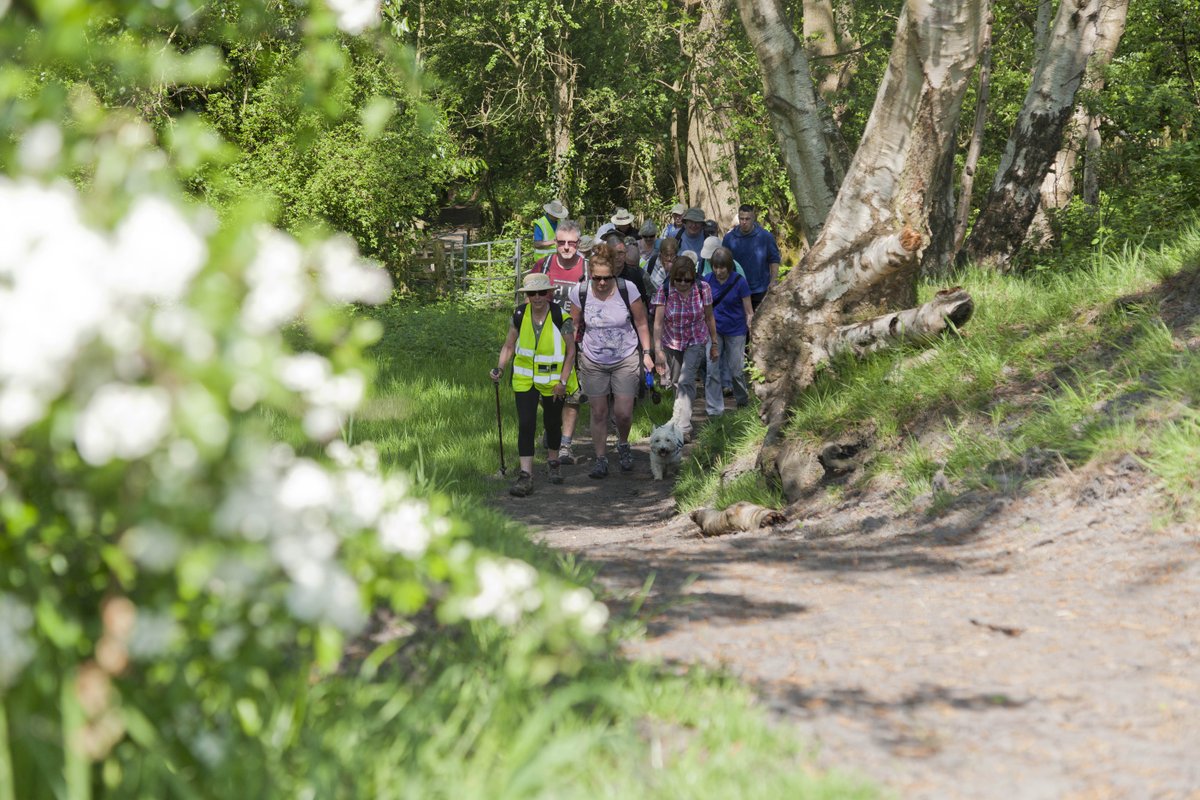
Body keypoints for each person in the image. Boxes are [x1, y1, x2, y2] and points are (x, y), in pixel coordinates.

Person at [569, 245, 655, 477]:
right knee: (598, 412)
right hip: (592, 359)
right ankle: (600, 458)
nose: (602, 283)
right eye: (597, 278)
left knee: (623, 413)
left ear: (614, 274)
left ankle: (623, 443)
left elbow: (642, 322)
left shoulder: (628, 289)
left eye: (607, 278)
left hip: (625, 357)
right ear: (590, 274)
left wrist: (647, 353)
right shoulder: (580, 292)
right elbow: (573, 324)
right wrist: (568, 353)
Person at [491, 272, 578, 496]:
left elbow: (570, 352)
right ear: (527, 295)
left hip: (553, 381)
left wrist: (562, 381)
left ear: (548, 293)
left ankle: (553, 463)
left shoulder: (561, 316)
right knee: (526, 424)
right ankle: (525, 476)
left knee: (551, 423)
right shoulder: (519, 314)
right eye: (532, 293)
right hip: (524, 379)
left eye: (542, 292)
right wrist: (500, 368)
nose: (537, 297)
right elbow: (509, 345)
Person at [530, 219, 586, 464]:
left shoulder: (587, 267)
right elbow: (527, 299)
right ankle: (552, 427)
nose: (565, 247)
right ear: (554, 243)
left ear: (578, 243)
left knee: (572, 394)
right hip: (545, 339)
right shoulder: (543, 266)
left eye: (570, 243)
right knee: (545, 391)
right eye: (561, 242)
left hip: (579, 339)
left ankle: (565, 445)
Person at [653, 256, 719, 440]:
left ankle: (682, 427)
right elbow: (658, 323)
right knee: (675, 382)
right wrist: (658, 351)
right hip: (671, 341)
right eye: (679, 279)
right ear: (673, 278)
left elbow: (709, 317)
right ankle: (679, 419)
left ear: (694, 279)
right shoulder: (664, 290)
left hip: (696, 339)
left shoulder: (702, 288)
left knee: (686, 380)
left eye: (687, 280)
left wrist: (714, 343)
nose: (683, 283)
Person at [703, 248, 753, 410]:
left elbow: (749, 311)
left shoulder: (740, 282)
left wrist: (751, 330)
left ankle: (743, 401)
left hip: (736, 331)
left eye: (722, 267)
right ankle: (714, 408)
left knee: (736, 370)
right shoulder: (707, 281)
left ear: (729, 266)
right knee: (712, 370)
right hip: (714, 331)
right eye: (716, 267)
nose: (719, 271)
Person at [722, 203, 782, 309]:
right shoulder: (729, 238)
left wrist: (773, 281)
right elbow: (723, 262)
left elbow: (774, 260)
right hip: (737, 289)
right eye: (741, 219)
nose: (744, 222)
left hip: (760, 290)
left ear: (753, 218)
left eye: (747, 219)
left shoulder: (765, 237)